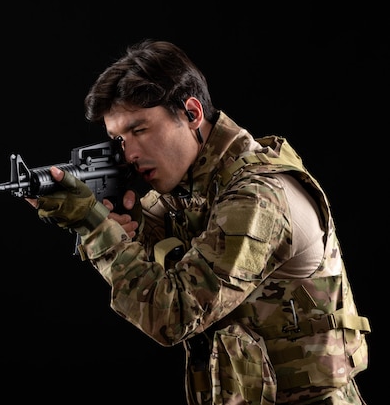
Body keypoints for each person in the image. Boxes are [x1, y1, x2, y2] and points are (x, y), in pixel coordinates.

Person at [26, 39, 371, 404]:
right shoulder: (189, 188)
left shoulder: (256, 196)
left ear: (191, 113)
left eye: (139, 130)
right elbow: (156, 257)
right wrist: (129, 225)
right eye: (117, 139)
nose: (128, 154)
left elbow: (171, 315)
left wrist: (96, 229)